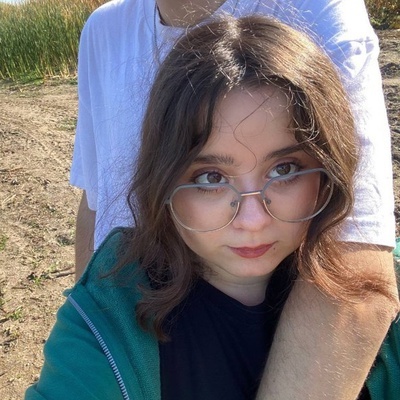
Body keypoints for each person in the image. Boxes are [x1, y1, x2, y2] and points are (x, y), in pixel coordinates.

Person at [26, 16, 397, 399]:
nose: (253, 220)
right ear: (163, 179)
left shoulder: (385, 302)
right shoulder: (105, 324)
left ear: (328, 170)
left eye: (284, 170)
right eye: (211, 177)